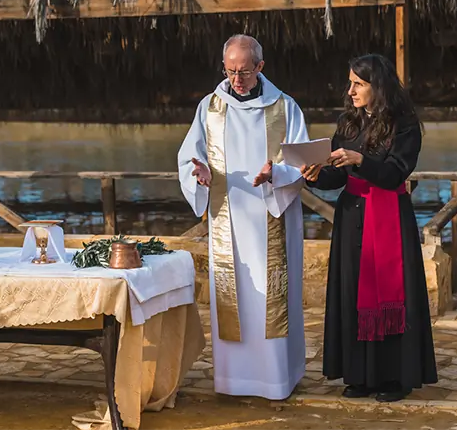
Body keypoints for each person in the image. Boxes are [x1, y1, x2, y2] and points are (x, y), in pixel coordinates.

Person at [177, 34, 308, 400]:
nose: (237, 79)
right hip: (228, 220)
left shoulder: (285, 107)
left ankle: (277, 379)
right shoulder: (209, 108)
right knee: (233, 299)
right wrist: (199, 174)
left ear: (260, 67)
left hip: (272, 215)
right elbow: (189, 157)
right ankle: (234, 380)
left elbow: (303, 163)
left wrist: (276, 174)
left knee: (272, 300)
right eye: (230, 71)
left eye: (245, 72)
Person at [301, 54, 438, 402]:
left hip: (389, 215)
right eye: (350, 83)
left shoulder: (404, 124)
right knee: (351, 294)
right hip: (351, 218)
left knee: (395, 296)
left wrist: (360, 159)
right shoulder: (348, 122)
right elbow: (337, 176)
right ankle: (359, 375)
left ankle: (395, 378)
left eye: (358, 84)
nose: (350, 91)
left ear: (378, 86)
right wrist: (314, 175)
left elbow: (395, 173)